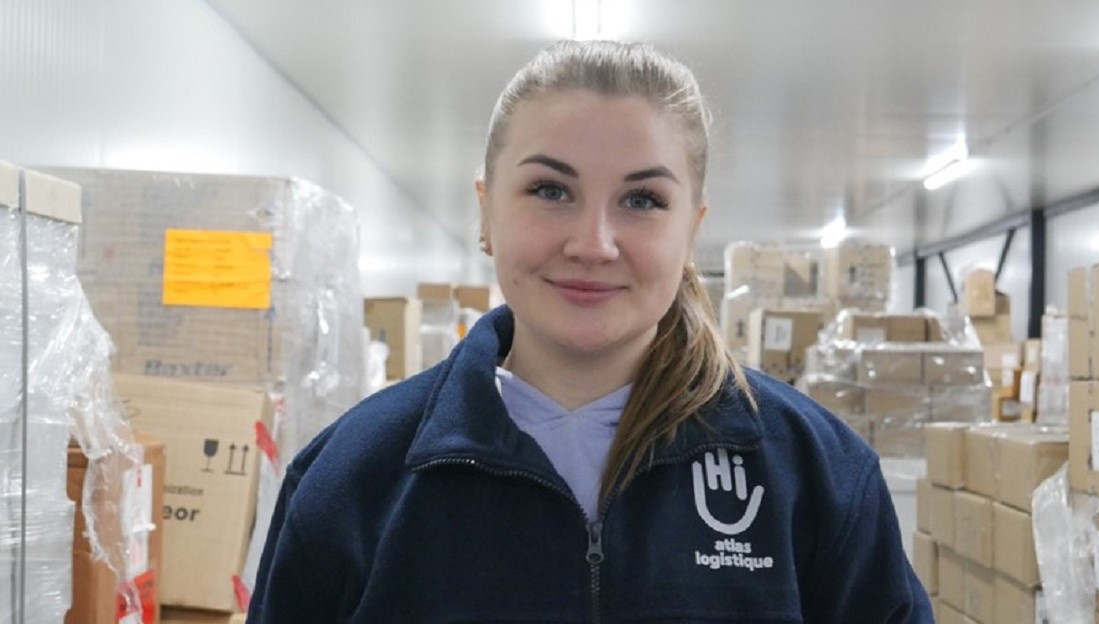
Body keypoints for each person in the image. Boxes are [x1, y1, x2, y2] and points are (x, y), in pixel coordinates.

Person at [247, 40, 932, 623]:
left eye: (642, 201)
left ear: (691, 230)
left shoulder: (816, 476)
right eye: (551, 190)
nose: (594, 243)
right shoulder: (352, 481)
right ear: (486, 213)